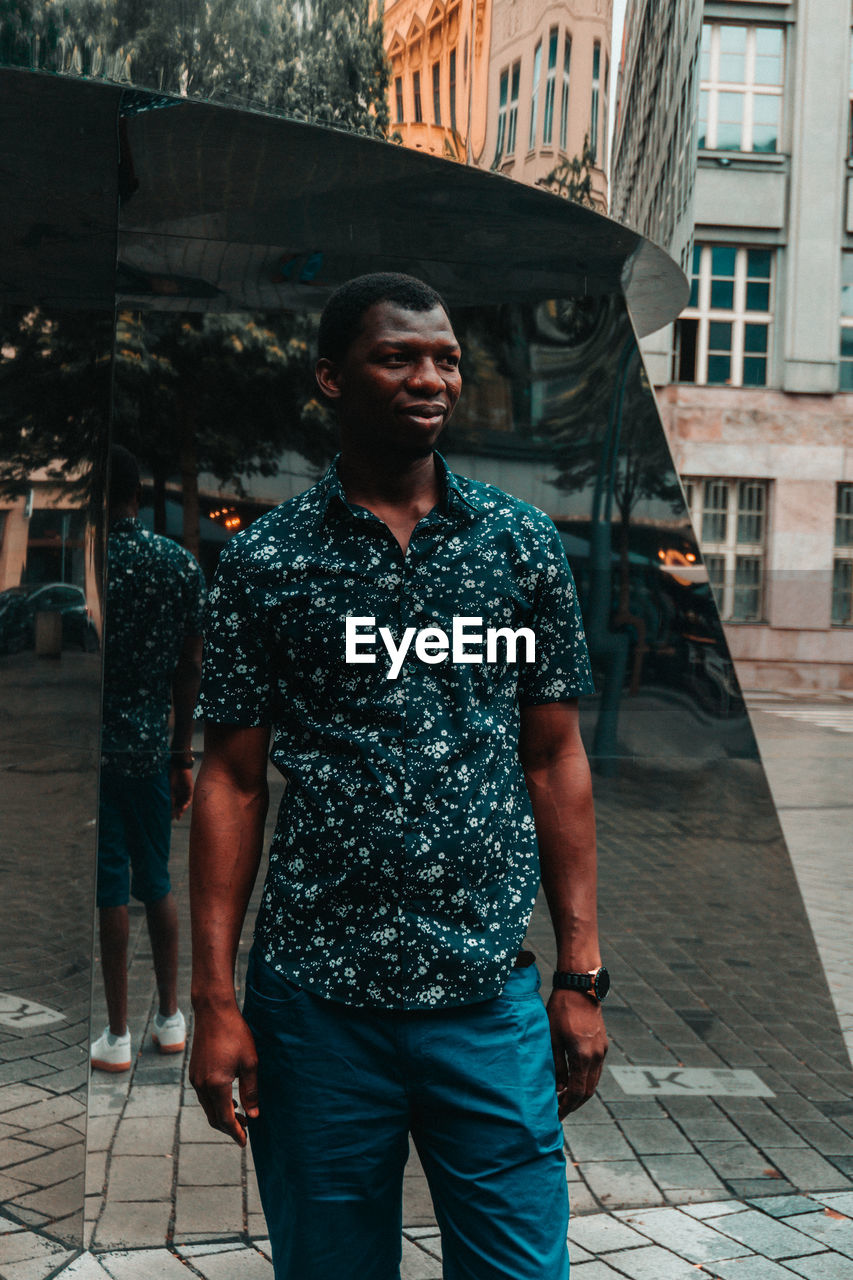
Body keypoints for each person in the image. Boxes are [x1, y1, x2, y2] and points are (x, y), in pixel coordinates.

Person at [189, 273, 608, 1279]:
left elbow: (554, 757)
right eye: (399, 356)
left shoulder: (519, 544)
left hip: (486, 1001)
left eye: (447, 358)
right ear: (332, 377)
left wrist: (580, 972)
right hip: (317, 1011)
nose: (431, 377)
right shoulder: (267, 563)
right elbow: (231, 782)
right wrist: (213, 1001)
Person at [90, 445, 206, 1072]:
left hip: (98, 752)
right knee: (157, 880)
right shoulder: (177, 566)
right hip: (153, 748)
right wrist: (180, 752)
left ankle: (114, 1034)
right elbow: (190, 668)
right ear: (138, 494)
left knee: (110, 884)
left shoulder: (92, 566)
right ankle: (169, 1018)